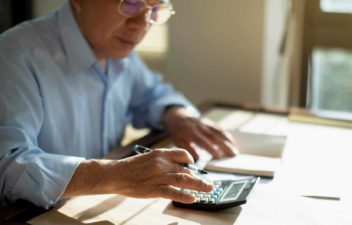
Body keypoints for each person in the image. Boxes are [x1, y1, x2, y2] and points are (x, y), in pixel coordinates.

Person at [0, 0, 238, 208]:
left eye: (154, 9)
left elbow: (153, 94)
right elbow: (8, 165)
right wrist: (113, 175)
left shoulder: (115, 47)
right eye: (130, 3)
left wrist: (178, 116)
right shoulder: (14, 55)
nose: (142, 24)